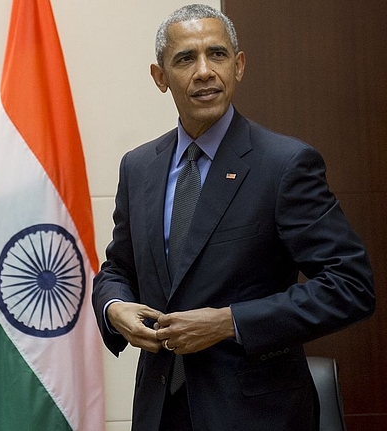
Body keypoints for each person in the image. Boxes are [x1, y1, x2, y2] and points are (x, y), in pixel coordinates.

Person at [91, 4, 375, 431]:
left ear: (238, 66)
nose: (204, 71)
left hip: (257, 414)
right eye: (186, 58)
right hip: (160, 411)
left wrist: (229, 322)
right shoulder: (138, 167)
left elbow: (350, 287)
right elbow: (118, 267)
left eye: (217, 54)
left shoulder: (283, 164)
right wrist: (114, 307)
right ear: (160, 77)